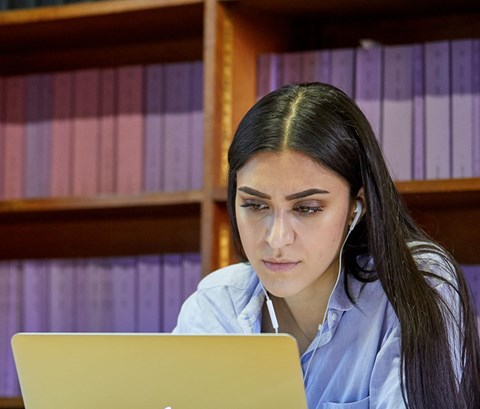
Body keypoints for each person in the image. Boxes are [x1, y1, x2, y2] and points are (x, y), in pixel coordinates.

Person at [173, 82, 480, 408]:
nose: (276, 238)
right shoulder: (218, 304)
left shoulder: (415, 282)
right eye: (255, 205)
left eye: (306, 209)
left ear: (354, 207)